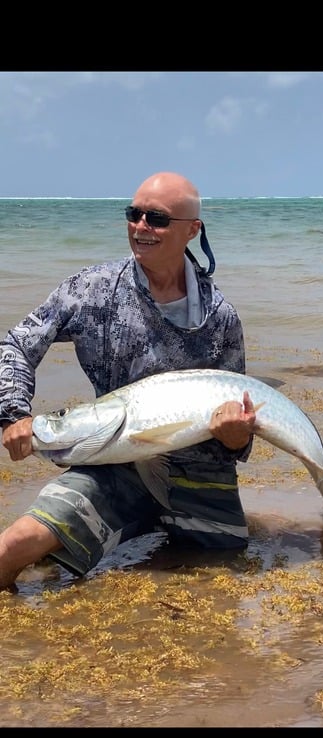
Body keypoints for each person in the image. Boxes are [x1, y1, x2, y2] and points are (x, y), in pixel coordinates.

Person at [0, 171, 256, 591]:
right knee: (15, 545)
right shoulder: (91, 289)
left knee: (216, 570)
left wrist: (235, 435)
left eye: (156, 218)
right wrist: (13, 414)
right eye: (133, 214)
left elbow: (239, 432)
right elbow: (15, 346)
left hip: (197, 474)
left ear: (192, 230)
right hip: (112, 460)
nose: (140, 226)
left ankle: (130, 528)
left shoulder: (220, 318)